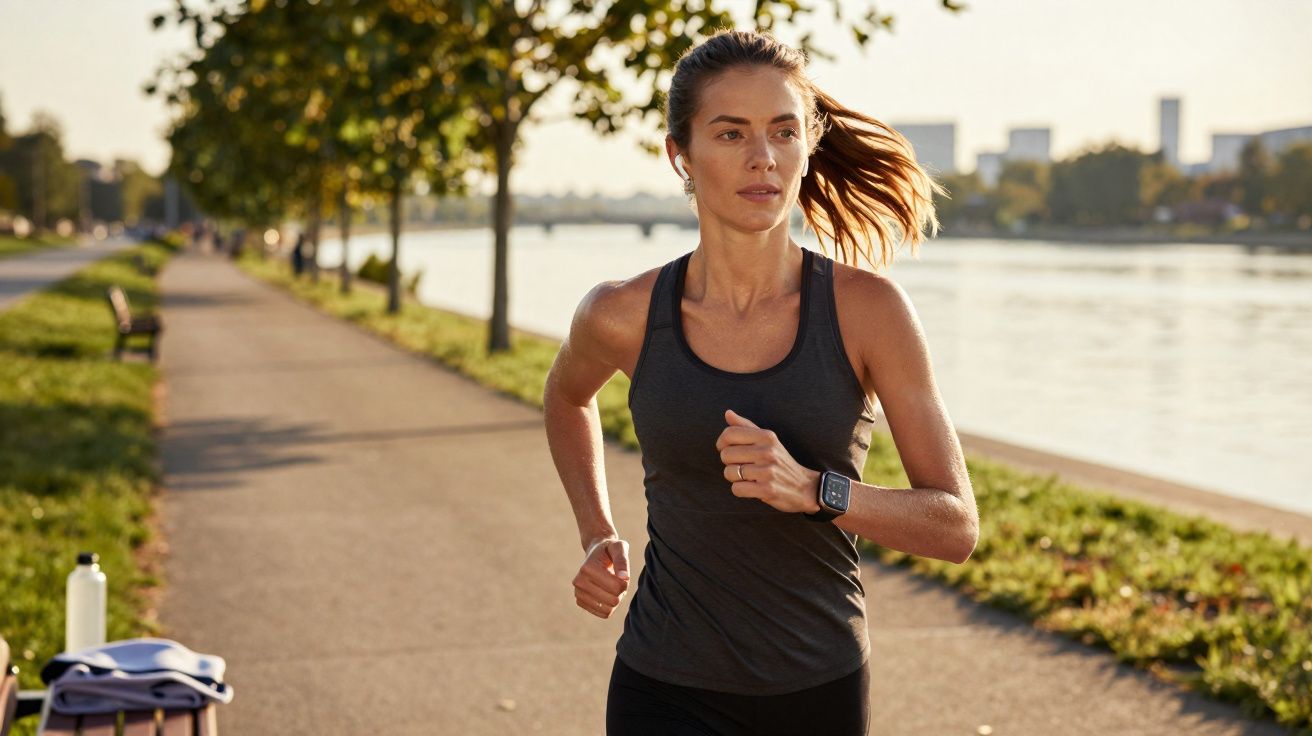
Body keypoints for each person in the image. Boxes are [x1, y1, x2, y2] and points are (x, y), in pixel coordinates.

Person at [542, 28, 979, 735]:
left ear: (807, 146)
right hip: (661, 684)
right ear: (680, 157)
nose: (762, 158)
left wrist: (814, 490)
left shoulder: (869, 312)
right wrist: (597, 532)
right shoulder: (621, 314)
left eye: (782, 131)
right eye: (730, 133)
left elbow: (955, 526)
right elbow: (566, 396)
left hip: (817, 687)